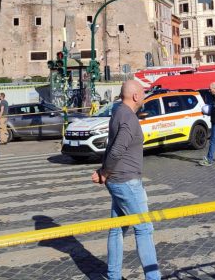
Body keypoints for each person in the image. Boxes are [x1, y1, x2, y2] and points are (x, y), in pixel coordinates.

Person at [91, 80, 160, 280]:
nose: (145, 95)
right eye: (144, 92)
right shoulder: (129, 117)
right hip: (126, 181)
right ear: (136, 96)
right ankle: (153, 277)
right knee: (144, 229)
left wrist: (103, 170)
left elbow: (111, 145)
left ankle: (113, 275)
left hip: (117, 180)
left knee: (117, 228)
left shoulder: (118, 111)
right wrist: (104, 172)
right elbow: (118, 148)